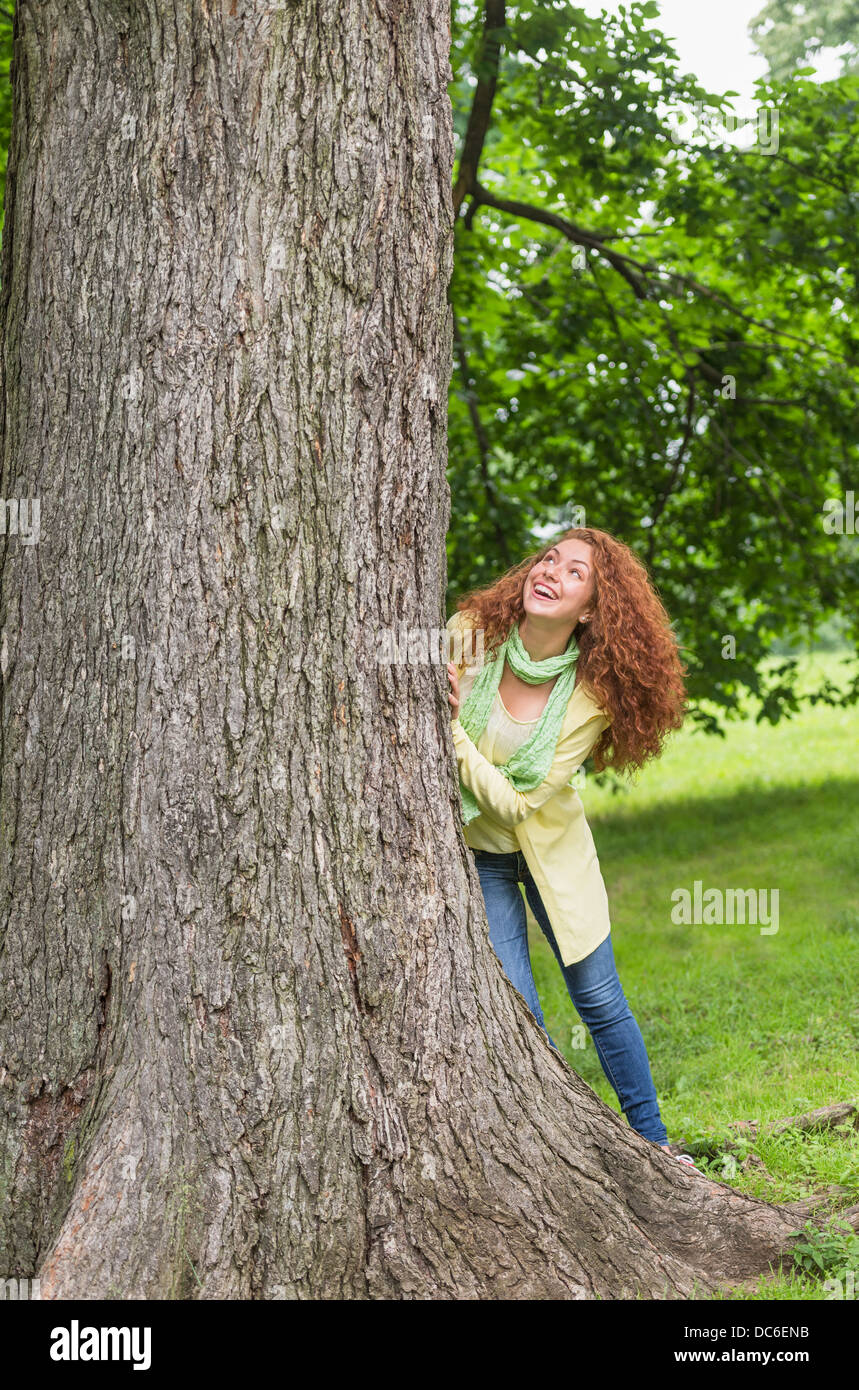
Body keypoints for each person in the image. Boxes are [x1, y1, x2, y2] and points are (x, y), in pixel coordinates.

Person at [445, 525, 700, 1170]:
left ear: (591, 608)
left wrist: (448, 733)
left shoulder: (590, 698)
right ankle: (557, 1148)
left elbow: (520, 803)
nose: (551, 571)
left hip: (552, 855)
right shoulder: (470, 633)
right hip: (479, 857)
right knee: (516, 1011)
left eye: (575, 572)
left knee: (600, 998)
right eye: (549, 557)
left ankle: (655, 1142)